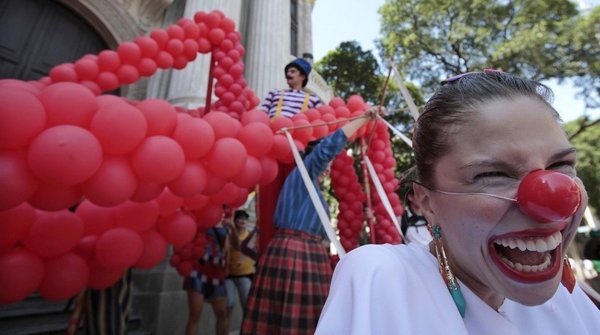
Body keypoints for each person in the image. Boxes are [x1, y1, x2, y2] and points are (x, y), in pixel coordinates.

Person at [316, 70, 600, 334]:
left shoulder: (571, 301)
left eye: (561, 164)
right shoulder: (379, 279)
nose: (552, 201)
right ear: (427, 203)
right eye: (493, 173)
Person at [241, 106, 382, 335]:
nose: (329, 167)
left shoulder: (313, 189)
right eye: (327, 162)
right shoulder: (302, 174)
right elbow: (326, 149)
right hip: (296, 252)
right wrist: (364, 118)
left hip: (308, 254)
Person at [257, 57, 323, 254]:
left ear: (303, 76)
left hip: (297, 154)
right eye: (288, 71)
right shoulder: (274, 94)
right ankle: (266, 250)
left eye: (293, 71)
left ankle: (292, 248)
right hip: (272, 151)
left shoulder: (313, 100)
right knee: (268, 201)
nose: (289, 74)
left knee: (294, 198)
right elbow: (261, 116)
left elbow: (319, 125)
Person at [184, 219, 230, 335]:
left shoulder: (226, 217)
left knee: (222, 314)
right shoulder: (199, 214)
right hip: (199, 265)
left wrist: (232, 227)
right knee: (195, 315)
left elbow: (228, 248)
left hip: (217, 268)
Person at [225, 210, 255, 330]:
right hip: (229, 276)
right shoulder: (229, 235)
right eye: (240, 218)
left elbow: (243, 249)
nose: (243, 221)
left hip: (245, 275)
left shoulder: (250, 236)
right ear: (235, 220)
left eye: (245, 219)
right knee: (228, 305)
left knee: (246, 307)